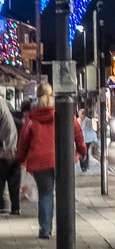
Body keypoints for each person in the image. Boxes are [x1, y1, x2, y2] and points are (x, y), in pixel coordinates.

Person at [17, 85, 86, 239]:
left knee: (45, 194)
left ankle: (45, 229)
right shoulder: (62, 112)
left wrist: (21, 158)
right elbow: (77, 133)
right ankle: (65, 230)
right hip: (61, 159)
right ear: (52, 95)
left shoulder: (31, 117)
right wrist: (82, 151)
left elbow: (23, 140)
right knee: (63, 193)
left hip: (39, 161)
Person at [0, 98, 20, 214]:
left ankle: (1, 205)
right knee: (14, 181)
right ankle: (15, 208)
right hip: (14, 147)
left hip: (5, 149)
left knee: (1, 178)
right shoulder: (5, 104)